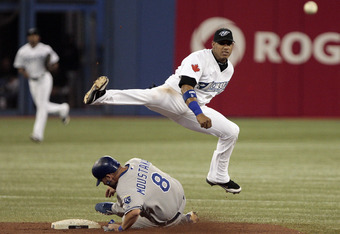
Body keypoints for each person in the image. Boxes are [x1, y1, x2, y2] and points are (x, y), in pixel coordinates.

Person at [84, 28, 241, 194]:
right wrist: (198, 113)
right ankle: (101, 96)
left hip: (195, 108)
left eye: (229, 43)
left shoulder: (229, 69)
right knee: (148, 96)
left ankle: (218, 176)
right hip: (173, 95)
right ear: (213, 44)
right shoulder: (198, 58)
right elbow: (186, 87)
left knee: (232, 131)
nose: (226, 47)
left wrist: (198, 111)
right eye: (222, 43)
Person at [92, 155, 198, 231]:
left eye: (103, 181)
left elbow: (134, 213)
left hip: (170, 218)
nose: (104, 184)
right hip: (179, 195)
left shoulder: (125, 188)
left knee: (128, 217)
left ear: (109, 177)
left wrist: (120, 228)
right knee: (137, 198)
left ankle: (184, 220)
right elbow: (136, 180)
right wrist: (117, 185)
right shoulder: (134, 161)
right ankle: (189, 217)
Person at [13, 28, 70, 142]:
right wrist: (25, 73)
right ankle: (63, 108)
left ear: (38, 37)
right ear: (27, 37)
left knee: (41, 107)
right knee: (41, 106)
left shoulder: (45, 49)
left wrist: (51, 67)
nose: (32, 37)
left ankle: (37, 134)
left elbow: (55, 63)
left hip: (44, 78)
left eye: (34, 35)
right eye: (30, 35)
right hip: (32, 81)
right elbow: (19, 67)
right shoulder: (23, 51)